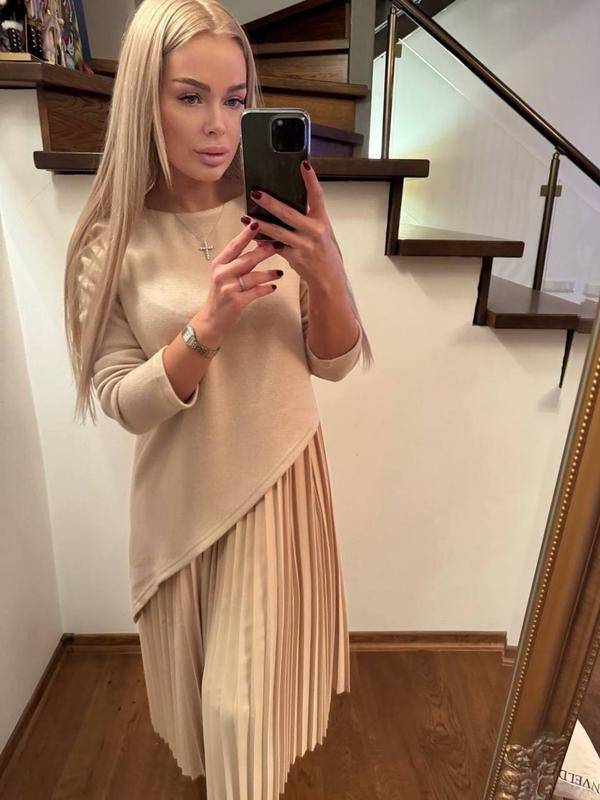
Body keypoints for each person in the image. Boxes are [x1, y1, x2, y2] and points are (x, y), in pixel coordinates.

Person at [63, 0, 373, 796]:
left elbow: (334, 363)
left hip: (279, 487)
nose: (218, 126)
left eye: (235, 100)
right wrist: (207, 325)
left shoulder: (278, 214)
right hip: (182, 504)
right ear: (145, 99)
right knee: (211, 724)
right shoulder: (109, 242)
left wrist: (327, 270)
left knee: (242, 716)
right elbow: (121, 401)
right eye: (189, 96)